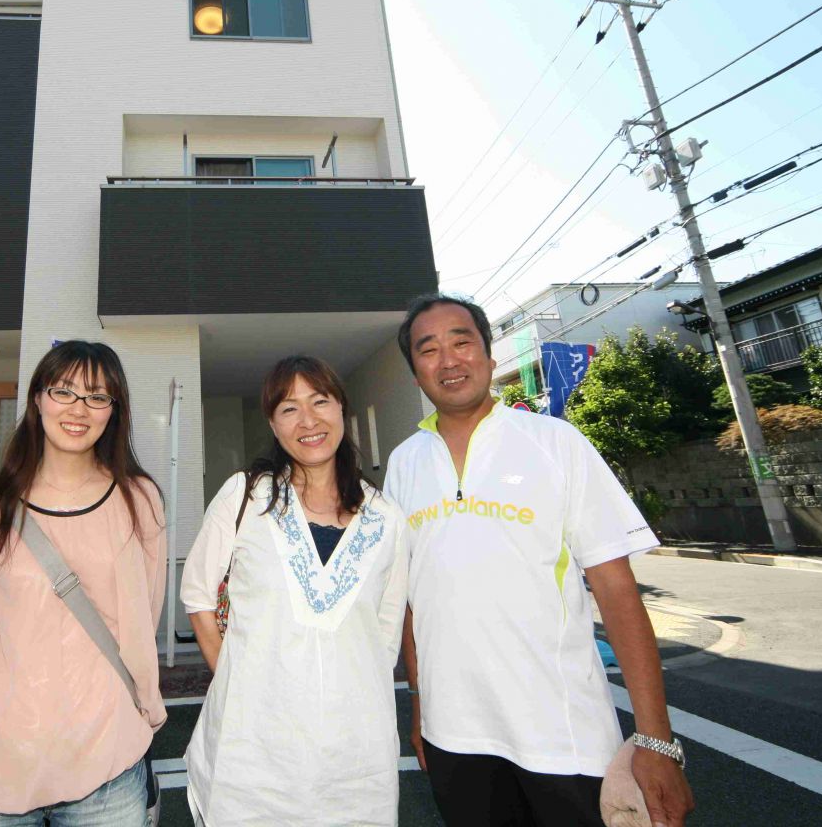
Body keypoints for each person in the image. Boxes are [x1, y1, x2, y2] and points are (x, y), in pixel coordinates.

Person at [386, 293, 694, 827]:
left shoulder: (556, 443)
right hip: (453, 736)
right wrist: (418, 705)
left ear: (489, 354)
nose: (449, 359)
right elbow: (413, 600)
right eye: (429, 349)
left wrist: (656, 740)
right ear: (415, 371)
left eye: (463, 342)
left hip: (566, 738)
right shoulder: (403, 463)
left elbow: (617, 589)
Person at [0, 340, 166, 826]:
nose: (80, 409)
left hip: (106, 755)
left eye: (98, 397)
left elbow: (143, 621)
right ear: (37, 398)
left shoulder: (139, 499)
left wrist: (143, 704)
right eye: (64, 391)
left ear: (114, 411)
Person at [181, 355, 408, 826]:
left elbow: (386, 630)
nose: (308, 420)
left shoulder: (385, 517)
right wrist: (235, 681)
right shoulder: (247, 496)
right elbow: (199, 595)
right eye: (288, 408)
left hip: (355, 755)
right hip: (254, 752)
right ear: (273, 423)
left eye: (320, 401)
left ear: (341, 410)